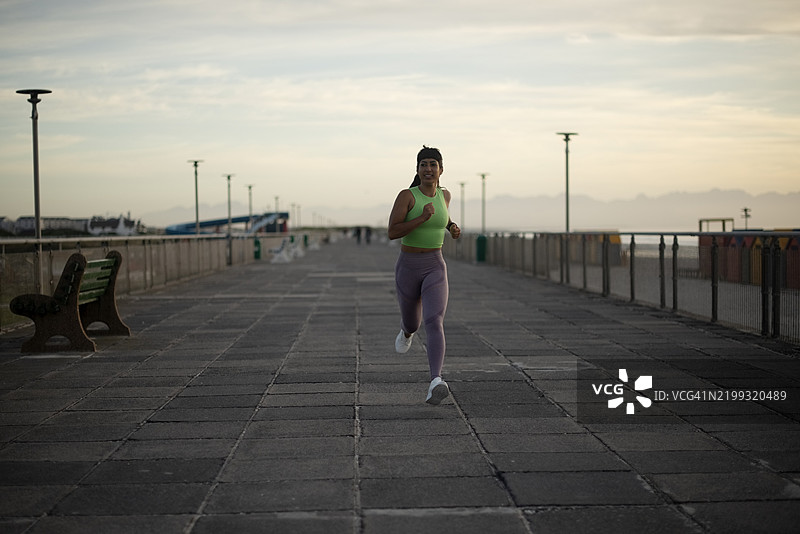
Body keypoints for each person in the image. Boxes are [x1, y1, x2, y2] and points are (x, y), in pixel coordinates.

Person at [387, 146, 461, 405]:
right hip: (408, 266)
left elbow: (443, 216)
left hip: (435, 265)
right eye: (423, 165)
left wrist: (451, 226)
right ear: (417, 170)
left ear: (441, 170)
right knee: (413, 323)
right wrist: (421, 218)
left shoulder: (445, 195)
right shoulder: (407, 196)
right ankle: (406, 332)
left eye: (433, 164)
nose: (428, 169)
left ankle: (435, 381)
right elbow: (393, 232)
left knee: (434, 320)